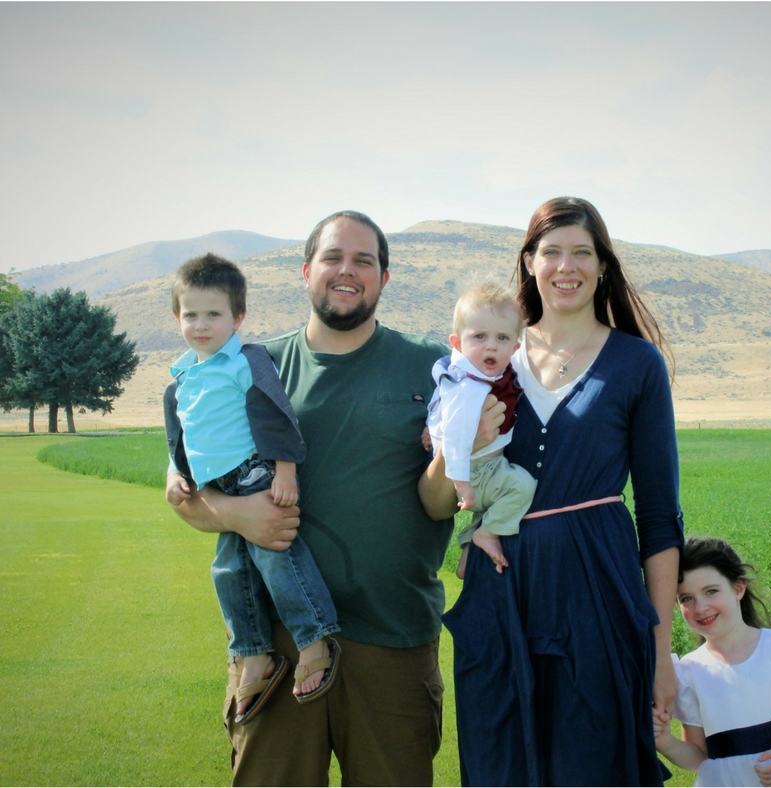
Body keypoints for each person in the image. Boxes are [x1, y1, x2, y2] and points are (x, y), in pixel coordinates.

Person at [166, 211, 501, 786]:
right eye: (333, 258)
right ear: (306, 271)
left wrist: (458, 450)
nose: (347, 271)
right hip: (278, 647)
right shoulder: (249, 367)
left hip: (393, 638)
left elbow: (438, 504)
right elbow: (184, 490)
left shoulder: (432, 369)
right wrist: (238, 515)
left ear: (384, 278)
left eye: (364, 261)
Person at [441, 196, 685, 786]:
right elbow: (444, 477)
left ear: (604, 265)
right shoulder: (486, 360)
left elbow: (657, 515)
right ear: (528, 262)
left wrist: (661, 652)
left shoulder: (636, 364)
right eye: (551, 252)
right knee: (503, 758)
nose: (565, 266)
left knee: (592, 758)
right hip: (503, 587)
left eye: (582, 252)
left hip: (598, 586)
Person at [164, 253, 340, 724]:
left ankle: (313, 636)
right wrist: (175, 471)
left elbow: (276, 415)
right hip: (215, 485)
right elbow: (181, 430)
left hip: (253, 473)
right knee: (227, 571)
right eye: (191, 315)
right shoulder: (181, 376)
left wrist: (285, 470)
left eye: (214, 314)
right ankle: (253, 652)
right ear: (177, 318)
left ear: (238, 317)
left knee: (276, 556)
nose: (202, 325)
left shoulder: (246, 361)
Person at [653, 537, 771, 787]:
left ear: (738, 588)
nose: (700, 607)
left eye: (711, 591)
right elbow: (698, 758)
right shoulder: (689, 673)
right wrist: (665, 742)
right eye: (686, 598)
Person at [426, 283, 537, 576]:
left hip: (485, 464)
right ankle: (485, 534)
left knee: (504, 491)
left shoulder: (489, 375)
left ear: (515, 347)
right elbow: (455, 437)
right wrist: (461, 484)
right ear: (457, 343)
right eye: (479, 337)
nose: (491, 346)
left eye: (502, 338)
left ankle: (470, 549)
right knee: (521, 487)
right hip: (473, 469)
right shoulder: (468, 386)